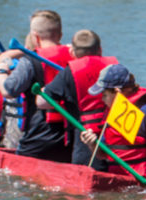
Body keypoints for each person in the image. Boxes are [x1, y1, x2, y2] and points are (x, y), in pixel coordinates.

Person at [76, 63, 146, 190]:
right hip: (123, 180)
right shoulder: (113, 112)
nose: (102, 99)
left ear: (117, 92)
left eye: (104, 95)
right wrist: (92, 144)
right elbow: (103, 154)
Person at [0, 11, 72, 162]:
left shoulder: (29, 61)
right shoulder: (75, 58)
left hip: (38, 139)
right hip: (69, 140)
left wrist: (0, 70)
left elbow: (9, 90)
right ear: (60, 34)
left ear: (35, 36)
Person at [37, 29, 116, 166]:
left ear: (72, 53)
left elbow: (42, 102)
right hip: (116, 141)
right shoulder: (115, 68)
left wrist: (45, 90)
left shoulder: (69, 73)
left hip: (85, 142)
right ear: (100, 49)